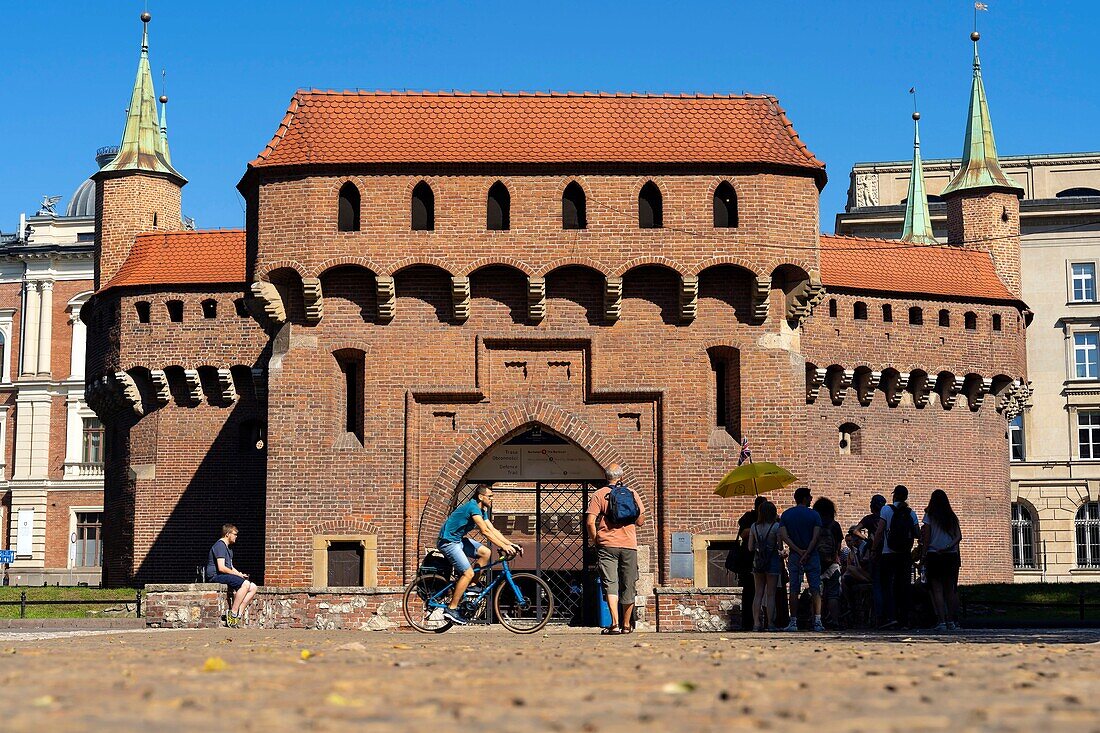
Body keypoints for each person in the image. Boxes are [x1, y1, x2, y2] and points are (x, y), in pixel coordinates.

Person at [437, 484, 521, 625]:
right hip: (448, 542)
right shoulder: (473, 507)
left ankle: (473, 585)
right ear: (481, 497)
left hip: (458, 541)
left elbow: (492, 529)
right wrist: (504, 546)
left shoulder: (482, 510)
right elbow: (485, 531)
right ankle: (451, 608)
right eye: (490, 496)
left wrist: (510, 544)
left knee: (485, 552)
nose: (492, 499)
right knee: (467, 573)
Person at [586, 463, 645, 635]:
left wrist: (596, 539)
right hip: (629, 545)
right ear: (622, 477)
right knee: (629, 584)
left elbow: (590, 522)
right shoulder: (632, 493)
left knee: (611, 584)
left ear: (606, 477)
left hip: (607, 545)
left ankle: (615, 624)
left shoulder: (599, 494)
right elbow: (641, 521)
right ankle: (627, 625)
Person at [872, 485, 919, 629]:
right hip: (904, 555)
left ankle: (890, 617)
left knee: (887, 586)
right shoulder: (911, 513)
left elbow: (879, 531)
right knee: (903, 586)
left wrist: (874, 549)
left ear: (894, 496)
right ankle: (904, 619)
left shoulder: (886, 509)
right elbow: (917, 534)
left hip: (888, 553)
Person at [778, 487, 824, 632]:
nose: (811, 499)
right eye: (809, 497)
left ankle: (793, 623)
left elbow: (784, 536)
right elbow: (816, 537)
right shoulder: (815, 515)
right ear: (804, 498)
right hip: (812, 555)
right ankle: (817, 622)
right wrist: (807, 552)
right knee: (816, 588)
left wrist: (798, 551)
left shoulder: (786, 515)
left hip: (794, 556)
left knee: (793, 589)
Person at [921, 489, 962, 631]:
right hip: (951, 555)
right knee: (950, 589)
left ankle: (941, 621)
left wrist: (923, 555)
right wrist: (948, 546)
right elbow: (958, 536)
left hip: (934, 554)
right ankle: (951, 621)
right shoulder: (951, 516)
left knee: (937, 589)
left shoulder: (929, 515)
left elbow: (926, 537)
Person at [207, 524, 258, 628]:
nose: (236, 536)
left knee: (253, 587)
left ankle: (238, 615)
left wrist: (240, 574)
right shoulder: (220, 546)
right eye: (234, 534)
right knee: (245, 584)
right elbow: (221, 567)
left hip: (224, 575)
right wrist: (238, 576)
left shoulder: (229, 549)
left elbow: (230, 567)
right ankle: (233, 613)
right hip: (216, 576)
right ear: (227, 534)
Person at [746, 500, 781, 631]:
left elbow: (750, 547)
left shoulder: (754, 526)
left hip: (758, 561)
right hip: (772, 561)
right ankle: (770, 624)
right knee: (771, 594)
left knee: (758, 593)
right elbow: (780, 547)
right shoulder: (776, 527)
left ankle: (756, 623)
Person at [736, 495, 767, 631]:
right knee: (750, 591)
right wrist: (756, 527)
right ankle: (749, 622)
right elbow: (743, 534)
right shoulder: (749, 518)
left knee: (768, 592)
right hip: (749, 560)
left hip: (765, 557)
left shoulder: (770, 519)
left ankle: (768, 621)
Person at [812, 497, 843, 629]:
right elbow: (839, 545)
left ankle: (815, 621)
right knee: (833, 594)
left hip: (816, 562)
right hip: (832, 563)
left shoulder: (814, 524)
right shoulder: (834, 525)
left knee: (815, 592)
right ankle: (835, 621)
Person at [858, 494, 888, 623]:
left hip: (874, 554)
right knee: (887, 585)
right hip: (887, 553)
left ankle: (878, 616)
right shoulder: (886, 517)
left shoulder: (869, 519)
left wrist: (868, 541)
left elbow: (855, 531)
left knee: (876, 585)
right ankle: (888, 615)